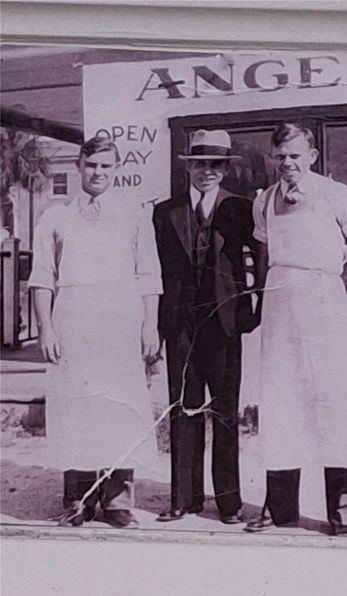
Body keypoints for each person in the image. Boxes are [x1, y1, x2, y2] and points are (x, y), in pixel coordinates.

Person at [244, 123, 347, 536]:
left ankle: (342, 514)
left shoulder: (337, 194)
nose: (288, 164)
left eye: (296, 156)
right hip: (281, 307)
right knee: (281, 401)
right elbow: (267, 258)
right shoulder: (264, 200)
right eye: (280, 157)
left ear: (313, 157)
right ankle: (280, 509)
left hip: (325, 305)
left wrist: (329, 284)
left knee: (333, 403)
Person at [28, 136, 162, 528]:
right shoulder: (55, 217)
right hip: (73, 322)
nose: (98, 173)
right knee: (77, 407)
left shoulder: (133, 215)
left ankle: (118, 500)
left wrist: (150, 325)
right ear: (79, 167)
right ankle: (78, 498)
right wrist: (45, 327)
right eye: (91, 165)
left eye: (106, 166)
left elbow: (149, 274)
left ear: (115, 169)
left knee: (118, 407)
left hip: (120, 321)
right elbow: (41, 277)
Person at [153, 129, 265, 524]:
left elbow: (260, 257)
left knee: (225, 412)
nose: (206, 172)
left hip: (225, 321)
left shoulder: (241, 207)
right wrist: (157, 324)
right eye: (200, 164)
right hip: (181, 322)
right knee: (183, 409)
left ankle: (230, 504)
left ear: (224, 169)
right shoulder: (165, 211)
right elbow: (156, 271)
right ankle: (184, 498)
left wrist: (255, 307)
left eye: (215, 165)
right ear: (190, 168)